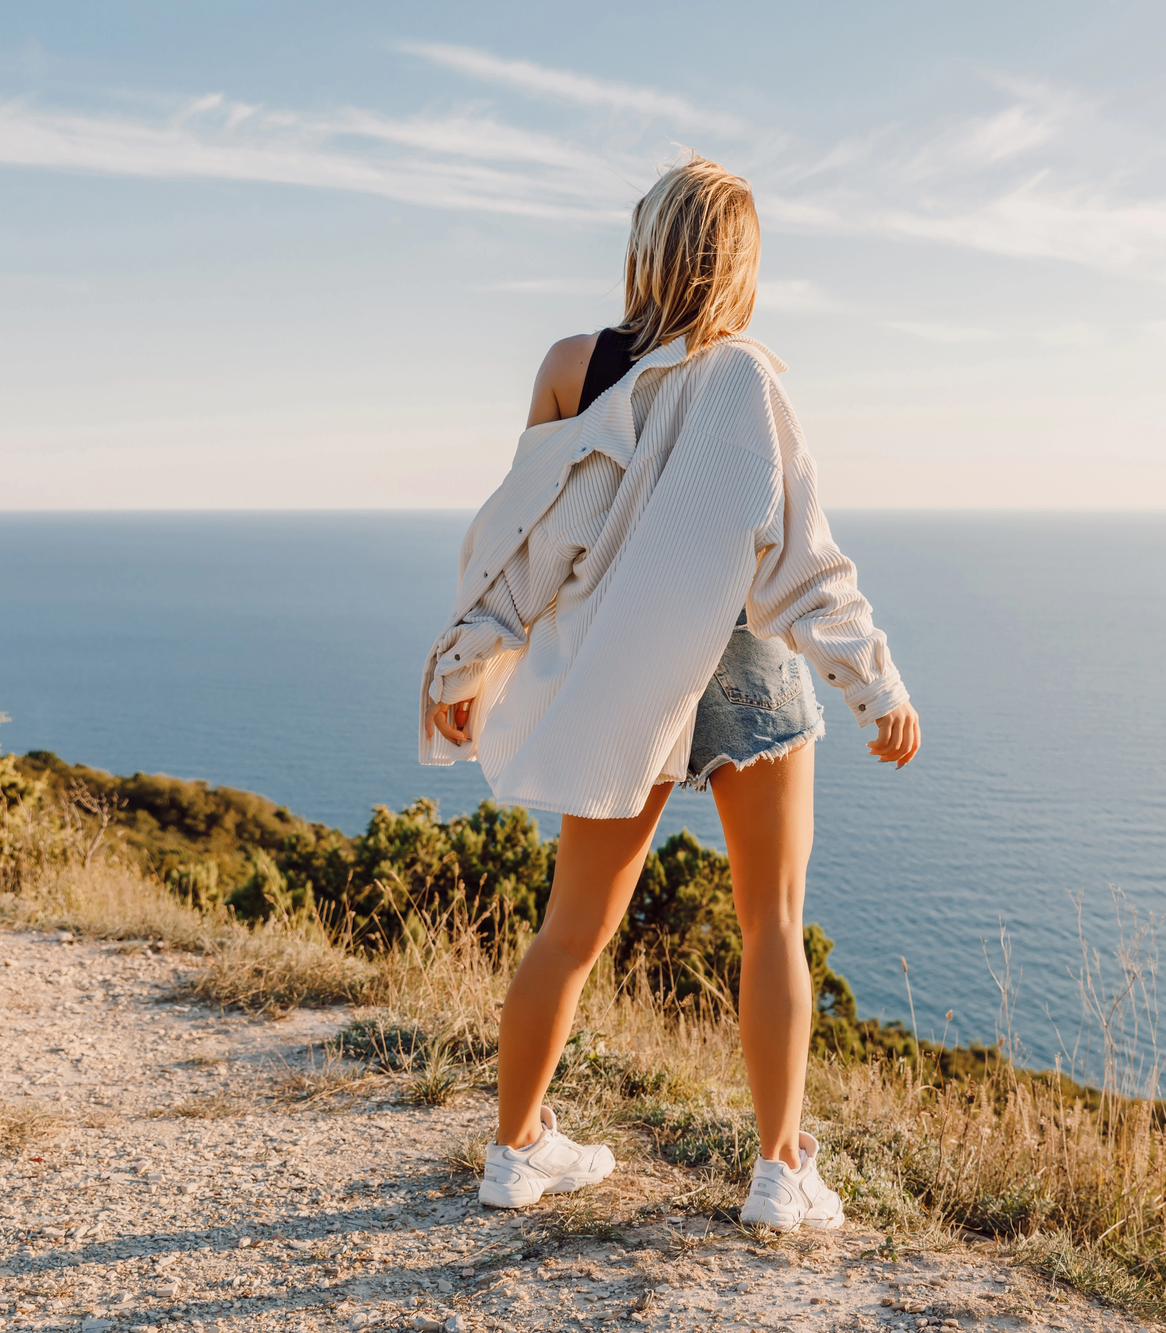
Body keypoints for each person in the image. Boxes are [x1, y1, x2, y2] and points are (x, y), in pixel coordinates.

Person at [418, 154, 920, 1232]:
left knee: (570, 930)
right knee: (771, 922)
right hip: (743, 659)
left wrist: (470, 656)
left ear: (644, 243)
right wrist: (876, 687)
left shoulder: (573, 366)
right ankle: (781, 1173)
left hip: (623, 667)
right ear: (738, 261)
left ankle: (513, 1153)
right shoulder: (750, 379)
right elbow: (801, 563)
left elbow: (531, 534)